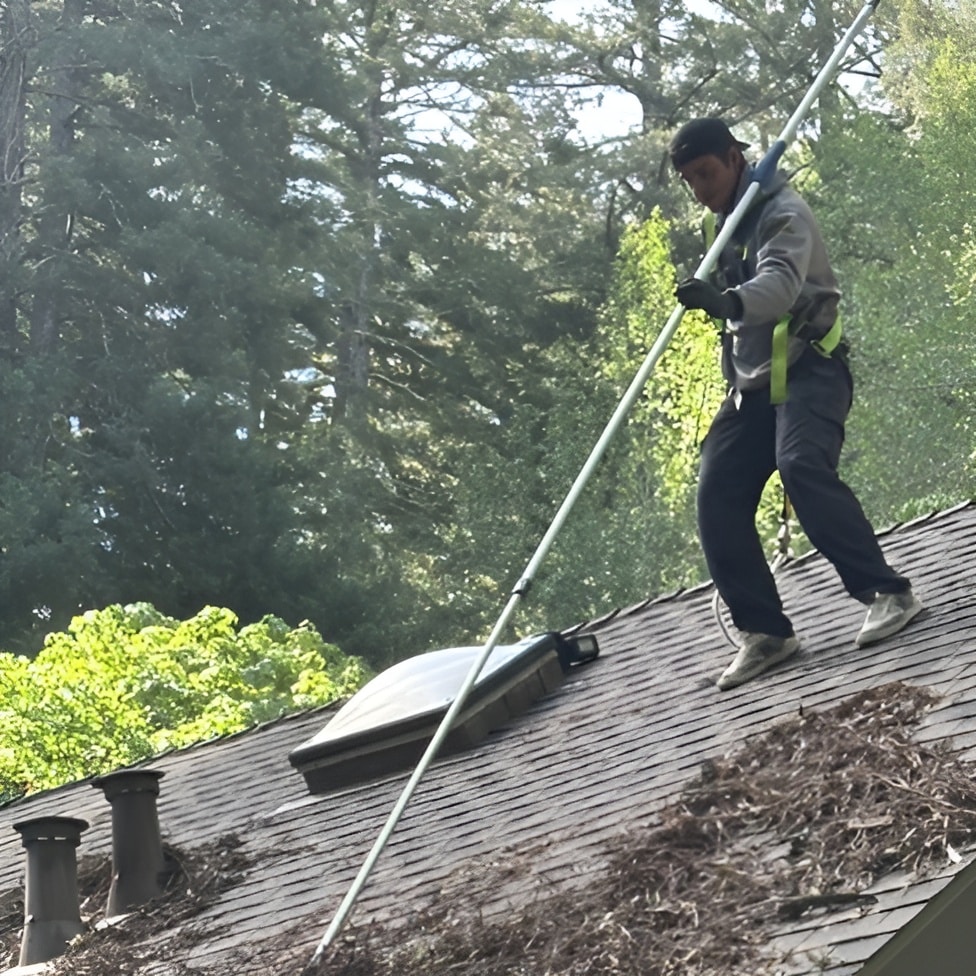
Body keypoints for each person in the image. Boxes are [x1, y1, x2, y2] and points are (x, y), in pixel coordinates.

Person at [669, 117, 922, 691]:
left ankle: (888, 592)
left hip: (811, 367)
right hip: (752, 386)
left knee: (801, 463)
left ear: (735, 158)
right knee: (716, 489)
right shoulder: (725, 224)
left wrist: (725, 301)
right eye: (689, 181)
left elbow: (779, 287)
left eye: (706, 173)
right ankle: (765, 631)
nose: (701, 189)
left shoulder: (783, 212)